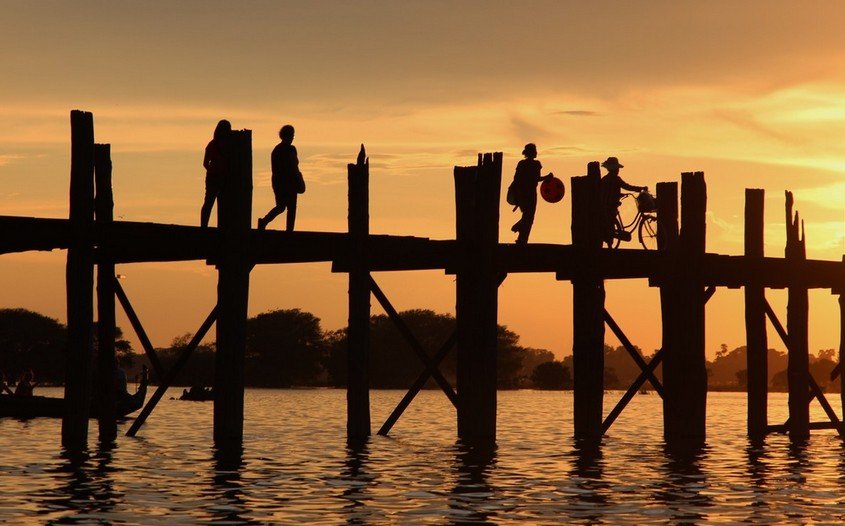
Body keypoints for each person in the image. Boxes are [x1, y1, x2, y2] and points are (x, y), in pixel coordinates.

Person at [257, 124, 304, 231]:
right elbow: (294, 165)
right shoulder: (291, 149)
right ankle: (289, 231)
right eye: (292, 135)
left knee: (281, 206)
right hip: (289, 182)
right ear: (289, 136)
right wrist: (298, 180)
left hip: (278, 182)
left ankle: (264, 221)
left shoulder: (276, 150)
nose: (293, 138)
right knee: (291, 208)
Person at [509, 143, 553, 244]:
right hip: (530, 193)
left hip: (521, 193)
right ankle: (520, 232)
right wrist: (548, 176)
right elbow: (536, 178)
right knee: (529, 217)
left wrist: (517, 194)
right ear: (533, 152)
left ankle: (521, 238)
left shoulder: (521, 164)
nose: (536, 152)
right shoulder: (536, 164)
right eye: (535, 150)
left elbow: (516, 179)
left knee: (526, 215)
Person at [599, 156, 645, 248]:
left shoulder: (605, 179)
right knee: (611, 223)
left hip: (604, 204)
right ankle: (610, 243)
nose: (618, 170)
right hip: (611, 205)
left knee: (610, 222)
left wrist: (620, 194)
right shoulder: (616, 179)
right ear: (615, 169)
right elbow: (627, 186)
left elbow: (607, 191)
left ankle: (610, 243)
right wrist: (640, 189)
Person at [200, 119, 232, 228]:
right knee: (215, 203)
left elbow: (205, 163)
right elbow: (205, 163)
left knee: (209, 202)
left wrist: (212, 171)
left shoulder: (212, 144)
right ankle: (209, 226)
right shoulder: (229, 145)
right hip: (219, 177)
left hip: (214, 177)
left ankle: (204, 226)